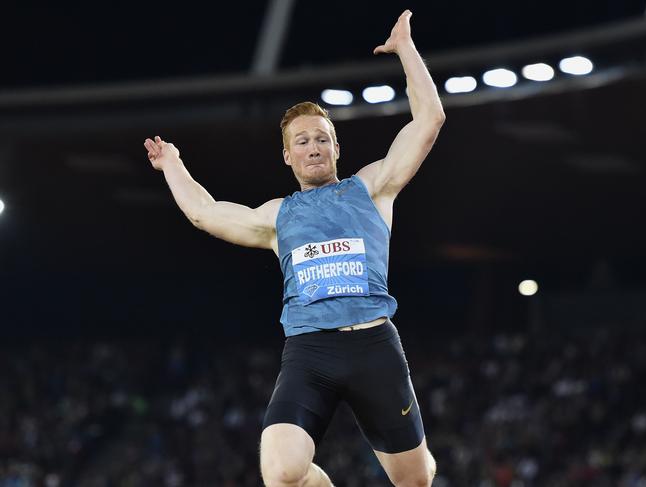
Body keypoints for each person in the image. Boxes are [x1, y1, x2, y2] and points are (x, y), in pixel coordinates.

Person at [144, 10, 445, 487]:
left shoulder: (373, 187)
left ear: (336, 148)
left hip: (373, 346)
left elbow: (429, 119)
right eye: (302, 141)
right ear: (288, 155)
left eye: (322, 139)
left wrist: (405, 49)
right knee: (281, 471)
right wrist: (173, 165)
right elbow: (206, 212)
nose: (313, 147)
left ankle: (422, 461)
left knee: (415, 480)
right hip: (310, 351)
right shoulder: (276, 216)